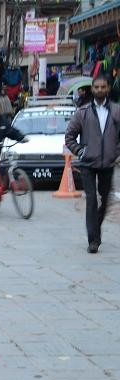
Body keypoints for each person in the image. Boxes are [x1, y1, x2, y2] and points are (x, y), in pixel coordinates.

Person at [66, 74, 120, 253]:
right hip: (88, 164)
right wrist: (81, 151)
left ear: (108, 88)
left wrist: (116, 153)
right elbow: (70, 137)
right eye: (96, 87)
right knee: (91, 200)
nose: (99, 90)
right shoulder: (83, 112)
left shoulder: (116, 111)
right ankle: (93, 240)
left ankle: (95, 228)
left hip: (108, 163)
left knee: (105, 201)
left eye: (103, 87)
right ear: (92, 89)